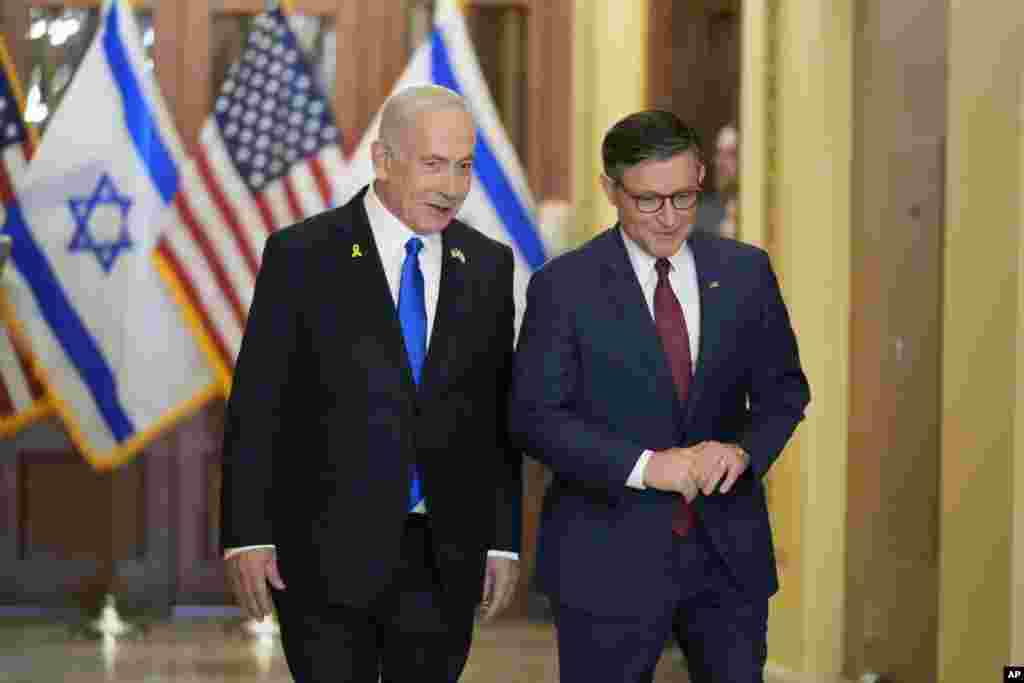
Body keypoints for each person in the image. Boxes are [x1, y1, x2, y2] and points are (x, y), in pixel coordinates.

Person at [220, 84, 522, 683]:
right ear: (383, 160)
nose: (453, 186)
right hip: (324, 556)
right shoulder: (303, 254)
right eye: (434, 164)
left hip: (446, 555)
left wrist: (502, 541)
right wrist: (246, 535)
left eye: (465, 166)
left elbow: (495, 419)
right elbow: (258, 404)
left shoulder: (488, 265)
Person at [509, 110, 809, 683]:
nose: (670, 217)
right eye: (649, 201)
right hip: (605, 562)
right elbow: (534, 417)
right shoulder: (563, 286)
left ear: (700, 176)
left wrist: (742, 451)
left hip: (727, 558)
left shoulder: (745, 271)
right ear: (611, 190)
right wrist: (649, 467)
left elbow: (783, 390)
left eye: (684, 197)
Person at [694, 122, 738, 234]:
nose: (721, 162)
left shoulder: (761, 211)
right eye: (719, 153)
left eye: (731, 154)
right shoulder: (699, 216)